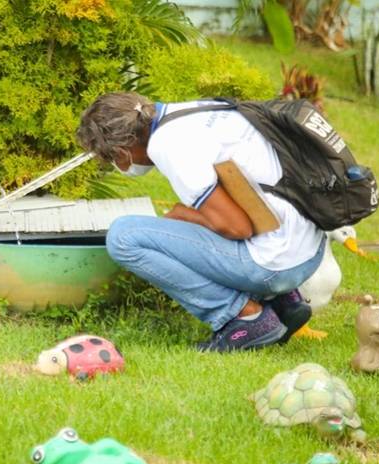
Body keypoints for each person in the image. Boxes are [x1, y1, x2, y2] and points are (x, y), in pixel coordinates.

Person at [76, 92, 327, 352]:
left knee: (124, 237)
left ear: (121, 150)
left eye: (111, 159)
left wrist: (185, 215)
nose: (116, 165)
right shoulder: (194, 110)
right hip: (308, 250)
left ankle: (245, 316)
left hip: (277, 264)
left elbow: (237, 227)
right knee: (194, 220)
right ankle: (283, 301)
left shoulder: (169, 146)